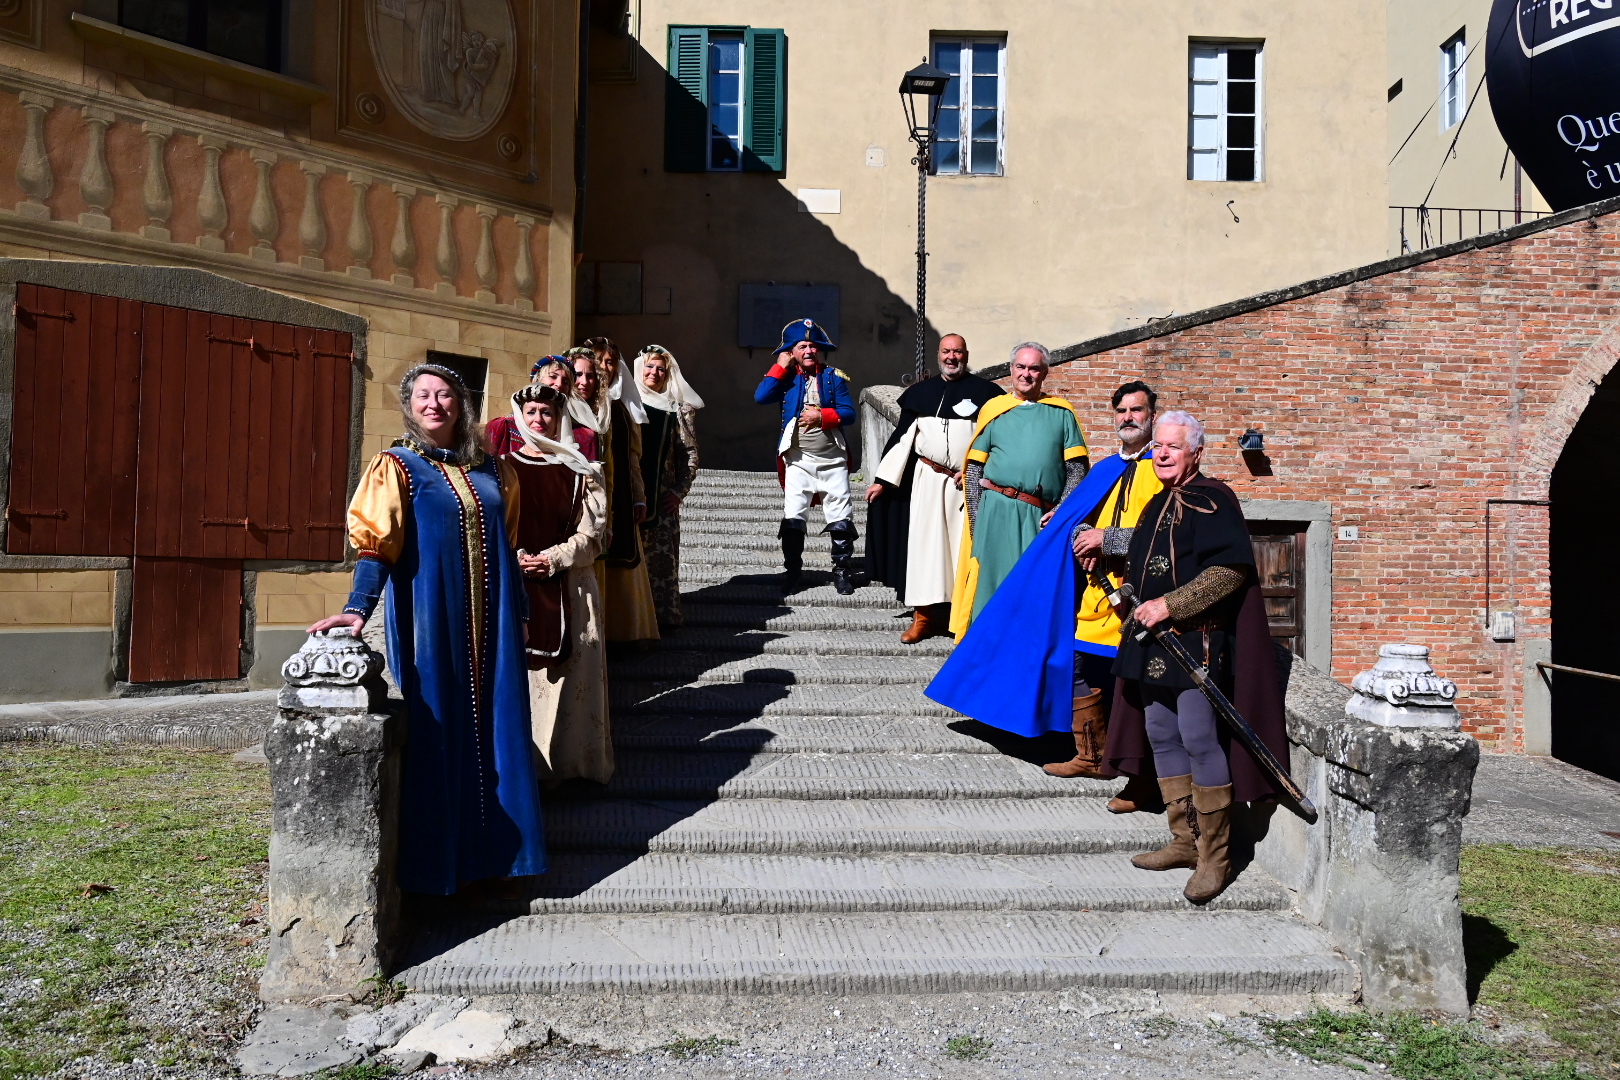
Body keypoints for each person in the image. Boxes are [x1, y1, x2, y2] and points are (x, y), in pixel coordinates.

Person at [308, 364, 545, 896]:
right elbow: (377, 548)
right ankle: (440, 871)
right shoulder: (397, 466)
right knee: (439, 726)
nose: (434, 403)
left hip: (498, 624)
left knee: (501, 727)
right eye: (423, 395)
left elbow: (508, 548)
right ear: (409, 405)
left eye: (444, 394)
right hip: (430, 618)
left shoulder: (496, 469)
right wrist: (357, 609)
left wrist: (523, 614)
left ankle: (502, 860)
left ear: (462, 404)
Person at [1105, 410, 1289, 903]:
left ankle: (1215, 856)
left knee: (1198, 738)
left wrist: (1170, 605)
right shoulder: (1156, 503)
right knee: (1161, 734)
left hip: (1196, 643)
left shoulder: (1214, 499)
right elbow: (1147, 566)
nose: (1162, 454)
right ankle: (1184, 841)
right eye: (1157, 447)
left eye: (1173, 446)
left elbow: (1228, 571)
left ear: (1196, 453)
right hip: (1151, 644)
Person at [1044, 381, 1166, 793]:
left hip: (1142, 595)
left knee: (1136, 687)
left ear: (1152, 416)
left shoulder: (1163, 467)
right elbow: (1080, 520)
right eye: (1122, 411)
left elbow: (1164, 535)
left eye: (1137, 410)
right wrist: (1082, 535)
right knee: (1077, 666)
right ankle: (1090, 756)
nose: (1128, 418)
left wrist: (1106, 539)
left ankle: (1141, 780)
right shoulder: (1103, 470)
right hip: (1099, 593)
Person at [502, 383, 612, 784]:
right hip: (514, 587)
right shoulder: (500, 468)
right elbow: (491, 527)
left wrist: (552, 559)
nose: (538, 420)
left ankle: (571, 771)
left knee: (569, 681)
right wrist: (516, 557)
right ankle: (522, 774)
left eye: (546, 413)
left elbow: (594, 537)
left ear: (559, 418)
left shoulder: (584, 470)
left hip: (572, 587)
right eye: (531, 412)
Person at [865, 334, 1002, 643]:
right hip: (927, 480)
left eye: (957, 352)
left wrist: (977, 469)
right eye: (946, 351)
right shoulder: (920, 393)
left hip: (967, 484)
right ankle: (923, 616)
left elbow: (996, 440)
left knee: (963, 551)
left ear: (966, 354)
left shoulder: (988, 394)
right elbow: (903, 437)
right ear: (938, 355)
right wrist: (882, 480)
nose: (952, 357)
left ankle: (962, 618)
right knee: (925, 549)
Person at [948, 342, 1088, 636]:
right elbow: (974, 470)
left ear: (1045, 372)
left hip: (1039, 516)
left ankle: (1025, 652)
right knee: (989, 586)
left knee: (1033, 589)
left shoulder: (1061, 413)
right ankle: (984, 651)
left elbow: (1077, 470)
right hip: (994, 512)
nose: (1026, 374)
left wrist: (1061, 512)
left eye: (1034, 368)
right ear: (1011, 369)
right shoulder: (994, 410)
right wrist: (977, 521)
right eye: (1021, 367)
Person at [754, 319, 858, 594]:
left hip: (832, 459)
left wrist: (821, 416)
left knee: (841, 516)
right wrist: (780, 366)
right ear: (792, 352)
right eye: (802, 347)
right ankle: (792, 572)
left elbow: (849, 413)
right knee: (793, 516)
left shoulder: (834, 377)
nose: (809, 351)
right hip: (797, 460)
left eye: (812, 346)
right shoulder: (785, 377)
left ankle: (842, 571)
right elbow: (761, 397)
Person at [577, 338, 659, 645]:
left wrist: (638, 496)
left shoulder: (623, 408)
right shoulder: (580, 403)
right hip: (589, 492)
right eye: (598, 361)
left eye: (610, 361)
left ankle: (623, 631)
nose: (604, 367)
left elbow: (633, 455)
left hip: (621, 492)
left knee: (623, 556)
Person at [636, 345, 702, 631]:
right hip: (630, 496)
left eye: (661, 369)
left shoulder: (679, 410)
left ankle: (661, 622)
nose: (654, 372)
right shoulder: (625, 405)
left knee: (660, 563)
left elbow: (690, 455)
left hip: (662, 501)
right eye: (649, 366)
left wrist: (678, 491)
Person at [485, 355, 599, 460]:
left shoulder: (583, 436)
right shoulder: (504, 428)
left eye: (565, 381)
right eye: (553, 377)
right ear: (537, 380)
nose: (559, 384)